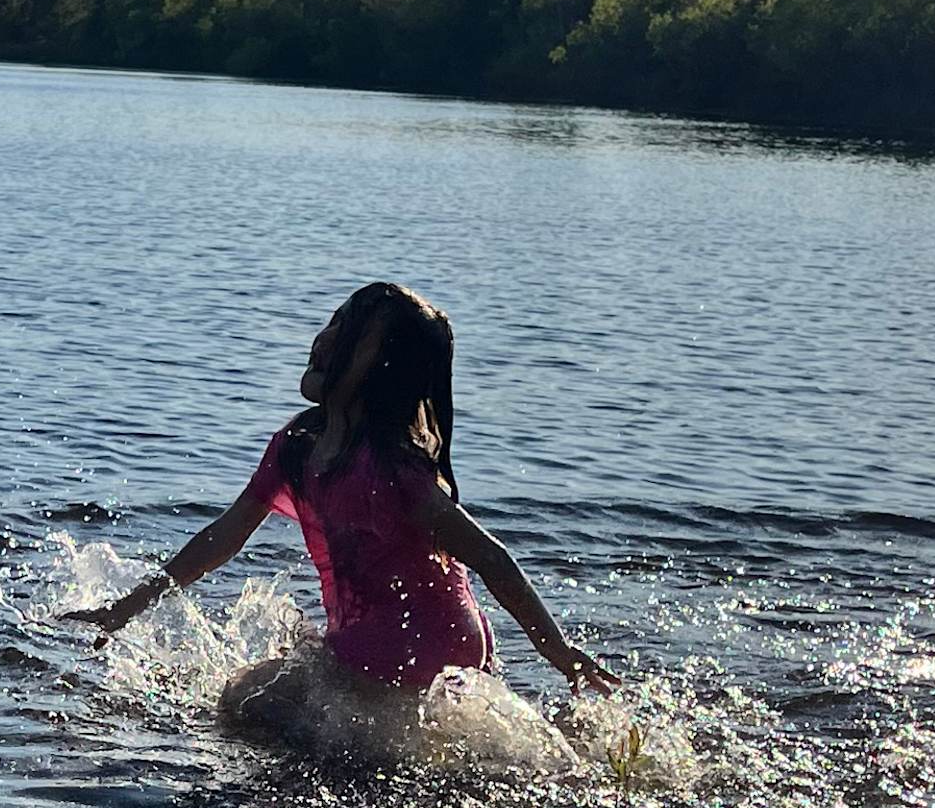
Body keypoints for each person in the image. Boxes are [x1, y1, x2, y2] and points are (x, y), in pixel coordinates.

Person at [75, 281, 611, 750]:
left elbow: (494, 559)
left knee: (241, 701)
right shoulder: (305, 450)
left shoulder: (383, 468)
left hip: (399, 640)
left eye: (350, 333)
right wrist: (126, 607)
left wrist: (562, 654)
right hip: (452, 641)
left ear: (385, 374)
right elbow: (223, 538)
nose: (326, 338)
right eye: (334, 320)